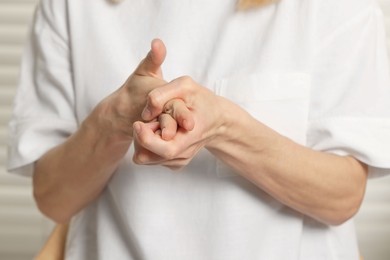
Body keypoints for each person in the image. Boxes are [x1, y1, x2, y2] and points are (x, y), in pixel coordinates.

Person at [7, 0, 390, 259]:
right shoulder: (70, 7)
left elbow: (342, 196)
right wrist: (113, 119)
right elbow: (52, 198)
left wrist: (224, 127)